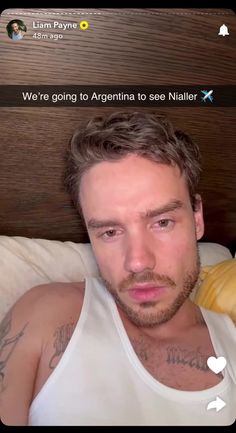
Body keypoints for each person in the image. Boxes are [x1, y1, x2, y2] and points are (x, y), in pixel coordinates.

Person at [0, 111, 235, 426]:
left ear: (196, 219)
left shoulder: (231, 342)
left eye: (162, 222)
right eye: (109, 232)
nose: (137, 262)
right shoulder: (44, 314)